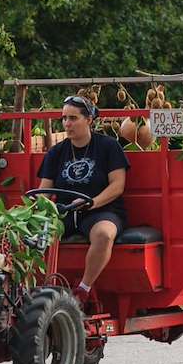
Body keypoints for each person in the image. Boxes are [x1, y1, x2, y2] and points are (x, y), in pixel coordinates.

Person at [38, 95, 130, 305]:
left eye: (73, 118)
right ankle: (39, 288)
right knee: (36, 234)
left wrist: (92, 202)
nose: (67, 124)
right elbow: (44, 190)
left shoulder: (108, 146)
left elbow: (117, 186)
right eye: (64, 119)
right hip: (65, 212)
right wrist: (37, 210)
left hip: (101, 210)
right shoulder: (56, 152)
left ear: (88, 120)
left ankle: (83, 289)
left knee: (105, 234)